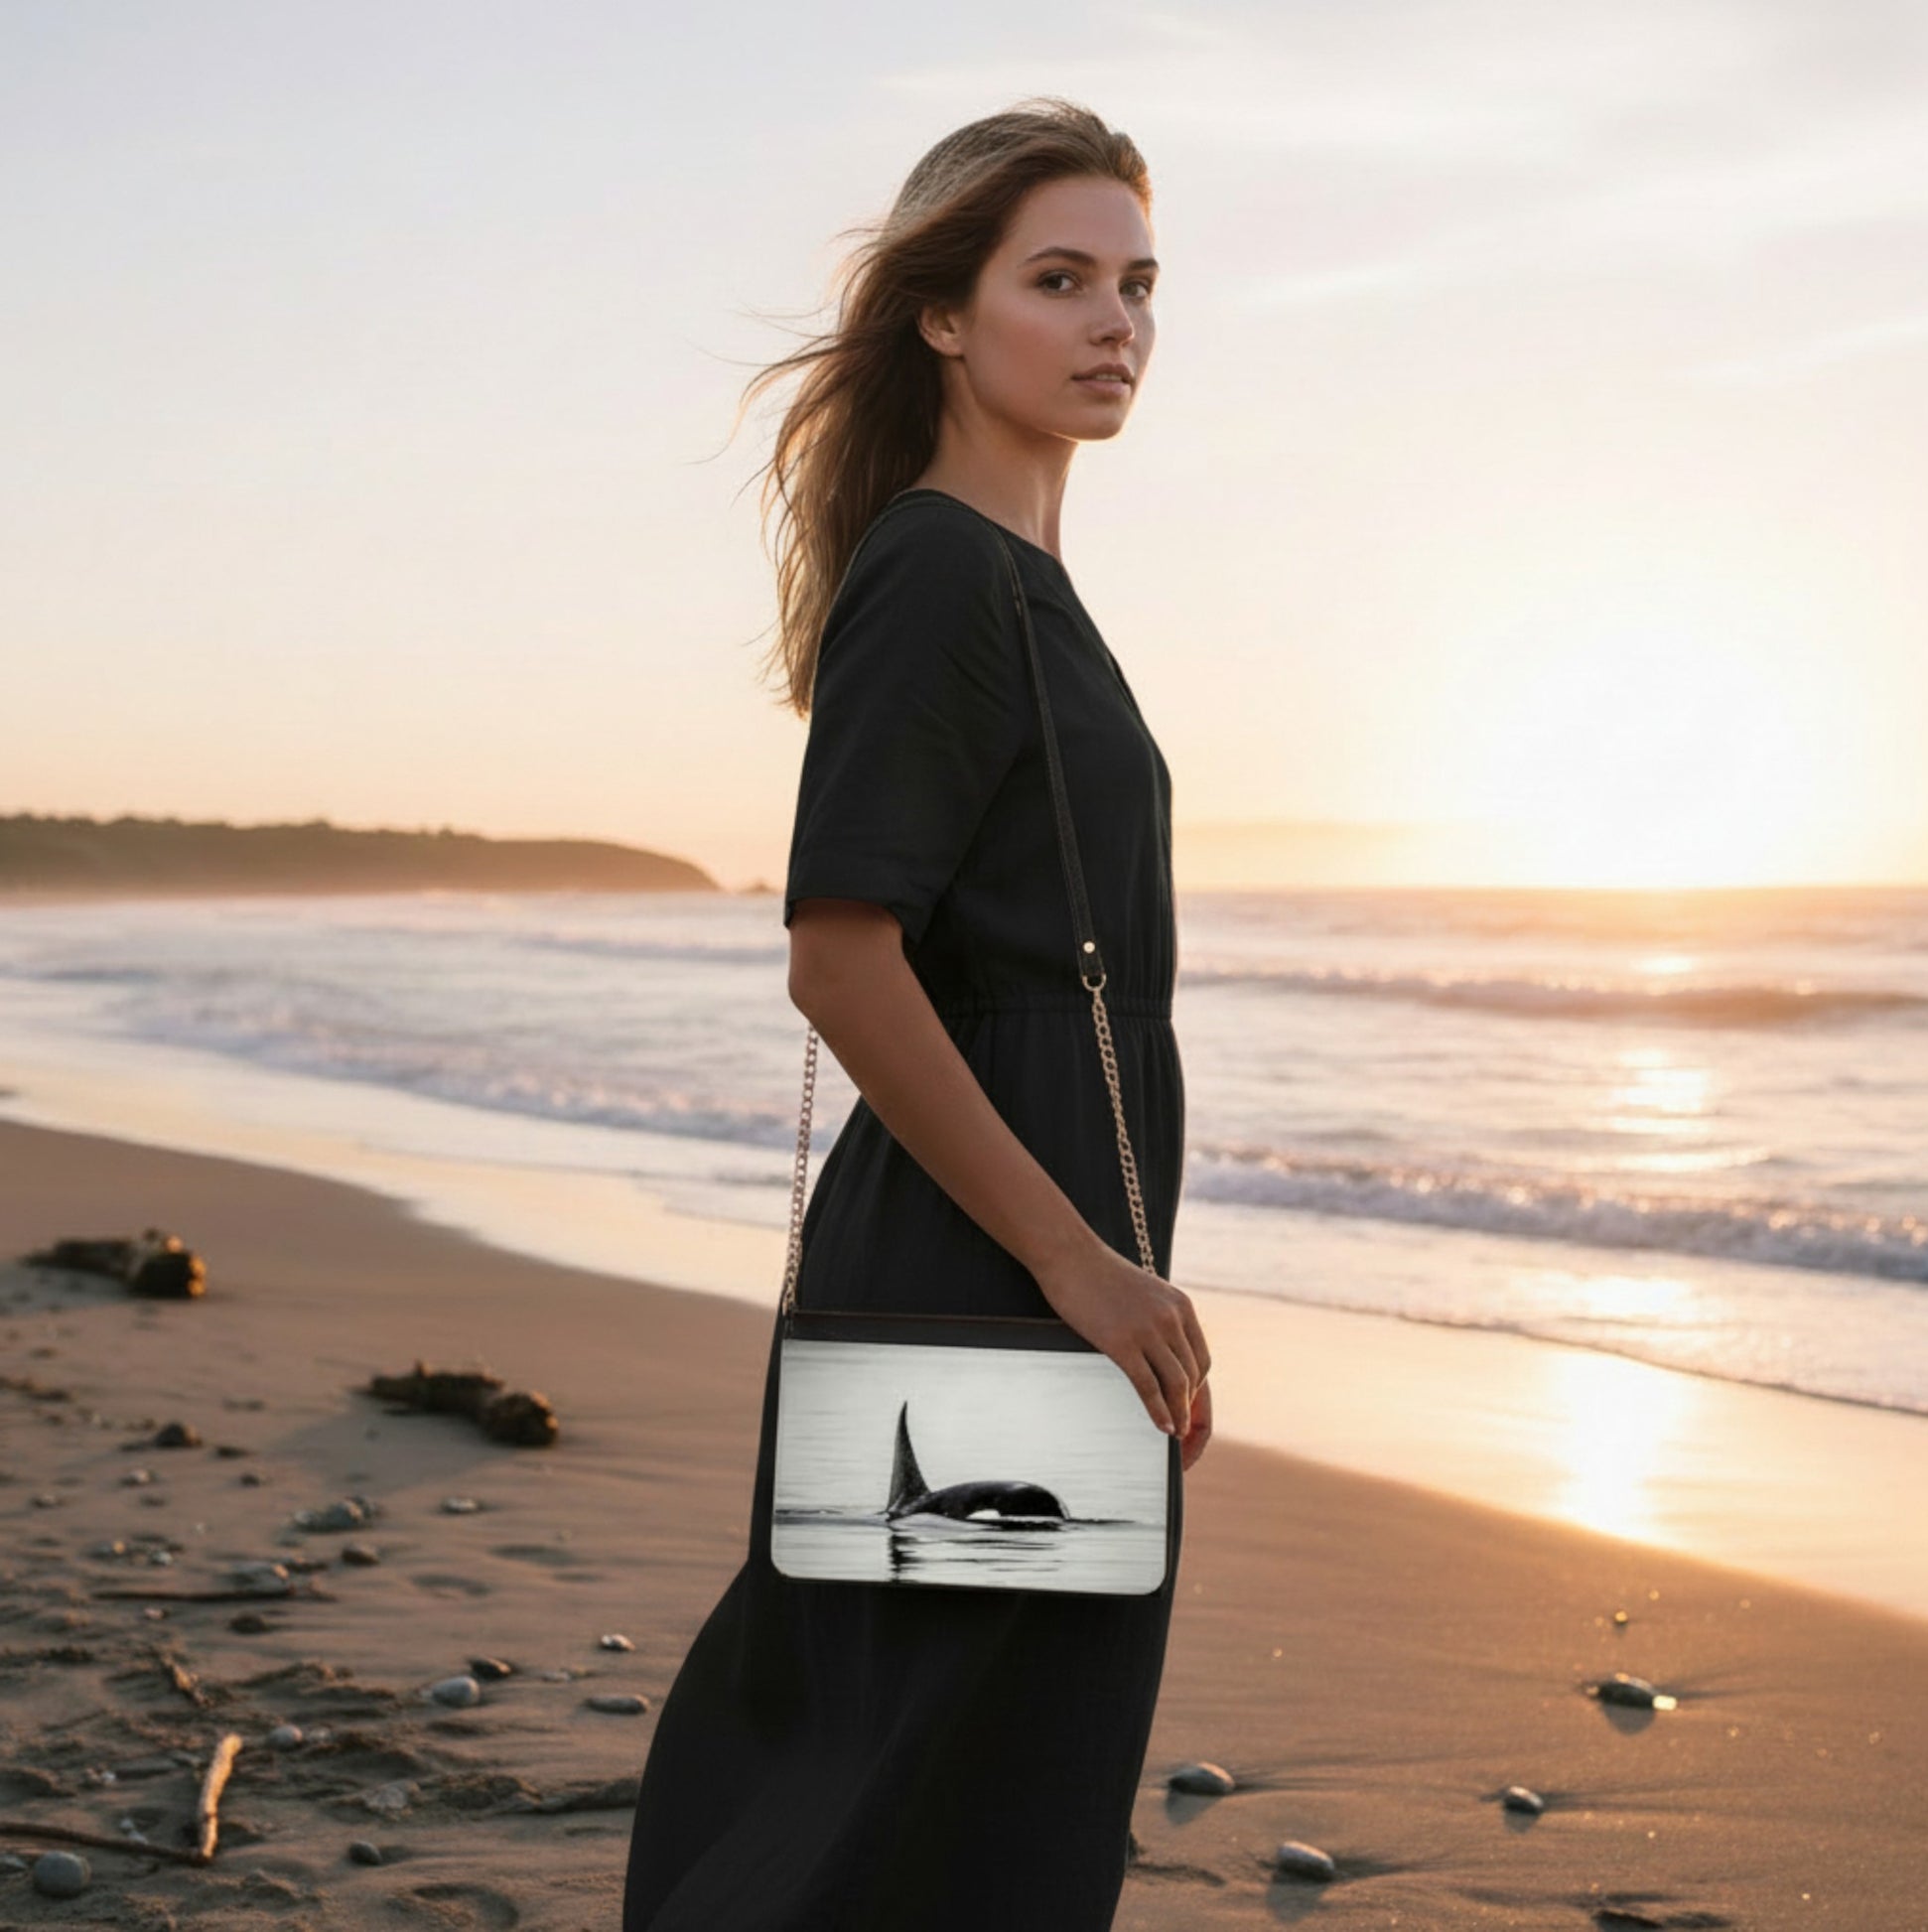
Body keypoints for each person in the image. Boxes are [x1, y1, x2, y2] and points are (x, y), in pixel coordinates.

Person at [620, 95, 1212, 1932]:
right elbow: (840, 951)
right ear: (946, 317)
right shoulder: (944, 568)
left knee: (969, 1764)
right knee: (911, 1777)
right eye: (1059, 279)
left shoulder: (1024, 586)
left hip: (1024, 1246)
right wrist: (1078, 1267)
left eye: (1135, 282)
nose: (1113, 321)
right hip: (987, 1260)